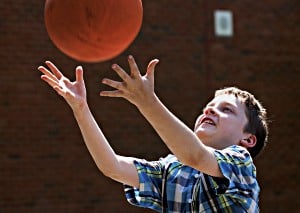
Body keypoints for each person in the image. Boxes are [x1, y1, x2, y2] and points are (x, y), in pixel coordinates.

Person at [38, 55, 268, 212]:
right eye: (208, 106)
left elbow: (195, 156)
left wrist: (147, 102)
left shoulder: (241, 163)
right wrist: (81, 109)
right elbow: (112, 166)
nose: (210, 109)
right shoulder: (174, 169)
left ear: (248, 139)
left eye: (226, 109)